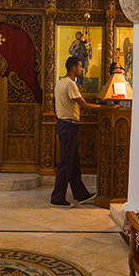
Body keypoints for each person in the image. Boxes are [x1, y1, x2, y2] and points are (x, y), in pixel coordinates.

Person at [50, 55, 100, 208]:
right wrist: (106, 108)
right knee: (66, 163)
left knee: (73, 163)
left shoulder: (61, 82)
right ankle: (57, 198)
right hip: (68, 126)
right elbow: (83, 105)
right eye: (80, 66)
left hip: (65, 125)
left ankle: (81, 194)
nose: (82, 69)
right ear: (73, 68)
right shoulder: (70, 84)